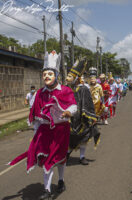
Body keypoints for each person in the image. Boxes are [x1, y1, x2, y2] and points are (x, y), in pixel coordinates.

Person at [9, 50, 77, 199]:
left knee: (60, 158)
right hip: (45, 131)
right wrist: (35, 133)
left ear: (56, 76)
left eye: (49, 74)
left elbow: (73, 106)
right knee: (46, 160)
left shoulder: (65, 90)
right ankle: (47, 190)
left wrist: (68, 112)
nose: (46, 76)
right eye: (44, 74)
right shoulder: (39, 93)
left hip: (61, 130)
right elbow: (35, 115)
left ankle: (60, 181)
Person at [66, 58, 99, 166]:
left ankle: (82, 157)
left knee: (83, 138)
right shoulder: (65, 89)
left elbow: (89, 104)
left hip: (81, 119)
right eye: (68, 76)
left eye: (71, 76)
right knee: (69, 138)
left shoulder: (84, 89)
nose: (68, 78)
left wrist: (91, 117)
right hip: (69, 118)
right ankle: (66, 154)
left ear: (76, 78)